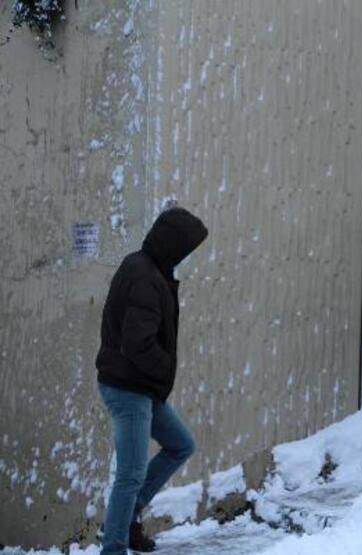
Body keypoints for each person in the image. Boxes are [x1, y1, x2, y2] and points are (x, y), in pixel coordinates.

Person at [96, 207, 208, 554]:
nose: (188, 257)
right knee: (129, 475)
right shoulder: (144, 276)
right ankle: (113, 547)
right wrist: (164, 369)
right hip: (129, 388)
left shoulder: (149, 268)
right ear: (173, 244)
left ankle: (128, 518)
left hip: (141, 386)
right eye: (187, 249)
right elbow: (137, 342)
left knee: (180, 444)